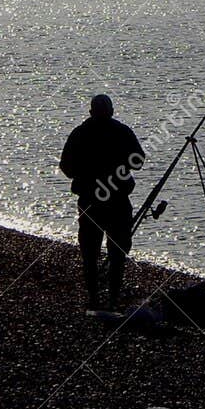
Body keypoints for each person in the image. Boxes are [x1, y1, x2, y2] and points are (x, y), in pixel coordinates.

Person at [59, 94, 145, 313]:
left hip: (90, 201)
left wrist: (85, 172)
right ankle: (113, 299)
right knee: (117, 251)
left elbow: (66, 167)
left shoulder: (80, 133)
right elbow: (139, 161)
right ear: (112, 111)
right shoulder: (122, 132)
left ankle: (94, 298)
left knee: (90, 251)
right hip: (117, 201)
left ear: (91, 112)